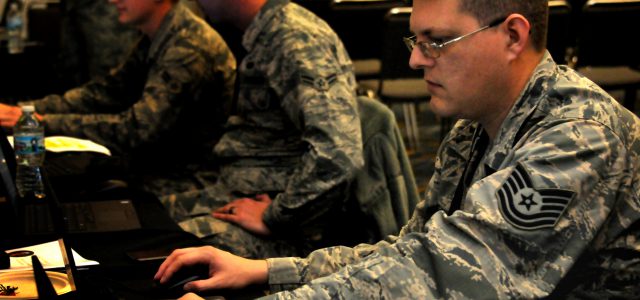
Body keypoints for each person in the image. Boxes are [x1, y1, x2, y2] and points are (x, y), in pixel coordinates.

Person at [154, 0, 640, 298]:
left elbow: (450, 280)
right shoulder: (474, 125)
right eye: (416, 38)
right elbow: (413, 252)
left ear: (512, 36)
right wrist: (266, 272)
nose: (413, 58)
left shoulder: (578, 135)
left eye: (438, 41)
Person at [159, 0, 364, 259]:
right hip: (241, 193)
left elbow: (339, 153)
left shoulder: (294, 36)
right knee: (139, 218)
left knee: (158, 250)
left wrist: (276, 216)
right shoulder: (266, 31)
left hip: (292, 232)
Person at [0, 0, 236, 196]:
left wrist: (42, 122)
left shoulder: (188, 47)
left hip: (185, 185)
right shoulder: (159, 34)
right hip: (152, 171)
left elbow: (136, 130)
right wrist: (25, 112)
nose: (113, 0)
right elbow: (104, 93)